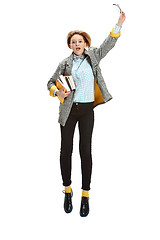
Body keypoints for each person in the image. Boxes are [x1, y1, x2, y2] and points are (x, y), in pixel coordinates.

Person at [47, 11, 126, 217]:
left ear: (85, 43)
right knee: (66, 151)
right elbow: (49, 83)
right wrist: (58, 92)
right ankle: (67, 190)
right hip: (69, 111)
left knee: (85, 152)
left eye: (80, 41)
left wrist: (118, 24)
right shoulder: (64, 63)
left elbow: (109, 44)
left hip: (87, 111)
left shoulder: (93, 57)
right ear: (70, 45)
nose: (77, 44)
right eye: (73, 42)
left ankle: (85, 195)